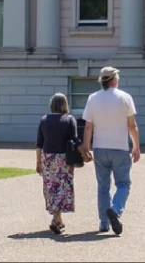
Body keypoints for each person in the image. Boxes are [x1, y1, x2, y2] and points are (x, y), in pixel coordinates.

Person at [80, 66, 140, 236]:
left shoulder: (93, 98)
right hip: (120, 147)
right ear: (114, 80)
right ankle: (115, 209)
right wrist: (136, 146)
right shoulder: (125, 98)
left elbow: (88, 127)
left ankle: (103, 223)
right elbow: (132, 126)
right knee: (123, 184)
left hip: (100, 147)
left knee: (103, 186)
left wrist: (86, 147)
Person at [36, 92, 83, 235]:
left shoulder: (44, 120)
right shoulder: (69, 119)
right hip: (64, 158)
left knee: (51, 187)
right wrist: (85, 153)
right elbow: (75, 139)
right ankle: (57, 219)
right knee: (64, 186)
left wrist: (38, 162)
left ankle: (57, 218)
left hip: (48, 158)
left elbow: (39, 144)